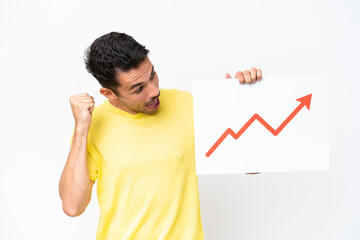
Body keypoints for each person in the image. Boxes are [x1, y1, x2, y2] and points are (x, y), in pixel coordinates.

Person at [59, 32, 262, 240]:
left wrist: (241, 104)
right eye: (138, 88)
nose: (154, 90)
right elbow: (73, 206)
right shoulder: (94, 125)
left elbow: (252, 168)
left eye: (152, 75)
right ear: (109, 93)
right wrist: (81, 130)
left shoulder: (188, 106)